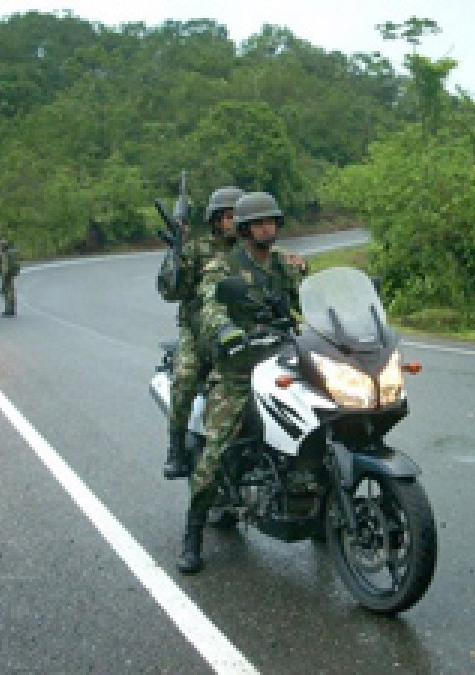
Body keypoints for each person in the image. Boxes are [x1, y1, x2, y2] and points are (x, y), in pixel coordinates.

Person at [177, 191, 307, 574]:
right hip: (238, 369)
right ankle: (194, 531)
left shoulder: (284, 263)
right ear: (246, 229)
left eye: (272, 221)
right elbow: (210, 305)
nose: (267, 228)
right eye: (258, 223)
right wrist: (226, 330)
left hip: (284, 361)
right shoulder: (223, 266)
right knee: (215, 450)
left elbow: (311, 297)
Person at [157, 185, 244, 480]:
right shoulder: (197, 247)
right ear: (216, 220)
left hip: (244, 328)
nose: (235, 222)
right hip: (198, 329)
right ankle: (176, 447)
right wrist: (175, 253)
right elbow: (170, 291)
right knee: (185, 376)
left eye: (239, 216)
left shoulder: (253, 249)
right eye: (229, 216)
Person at [0, 238, 19, 316]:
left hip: (6, 275)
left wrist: (4, 277)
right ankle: (11, 309)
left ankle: (9, 310)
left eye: (0, 246)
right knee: (10, 292)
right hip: (10, 275)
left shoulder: (4, 255)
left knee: (7, 292)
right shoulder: (9, 254)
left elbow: (5, 267)